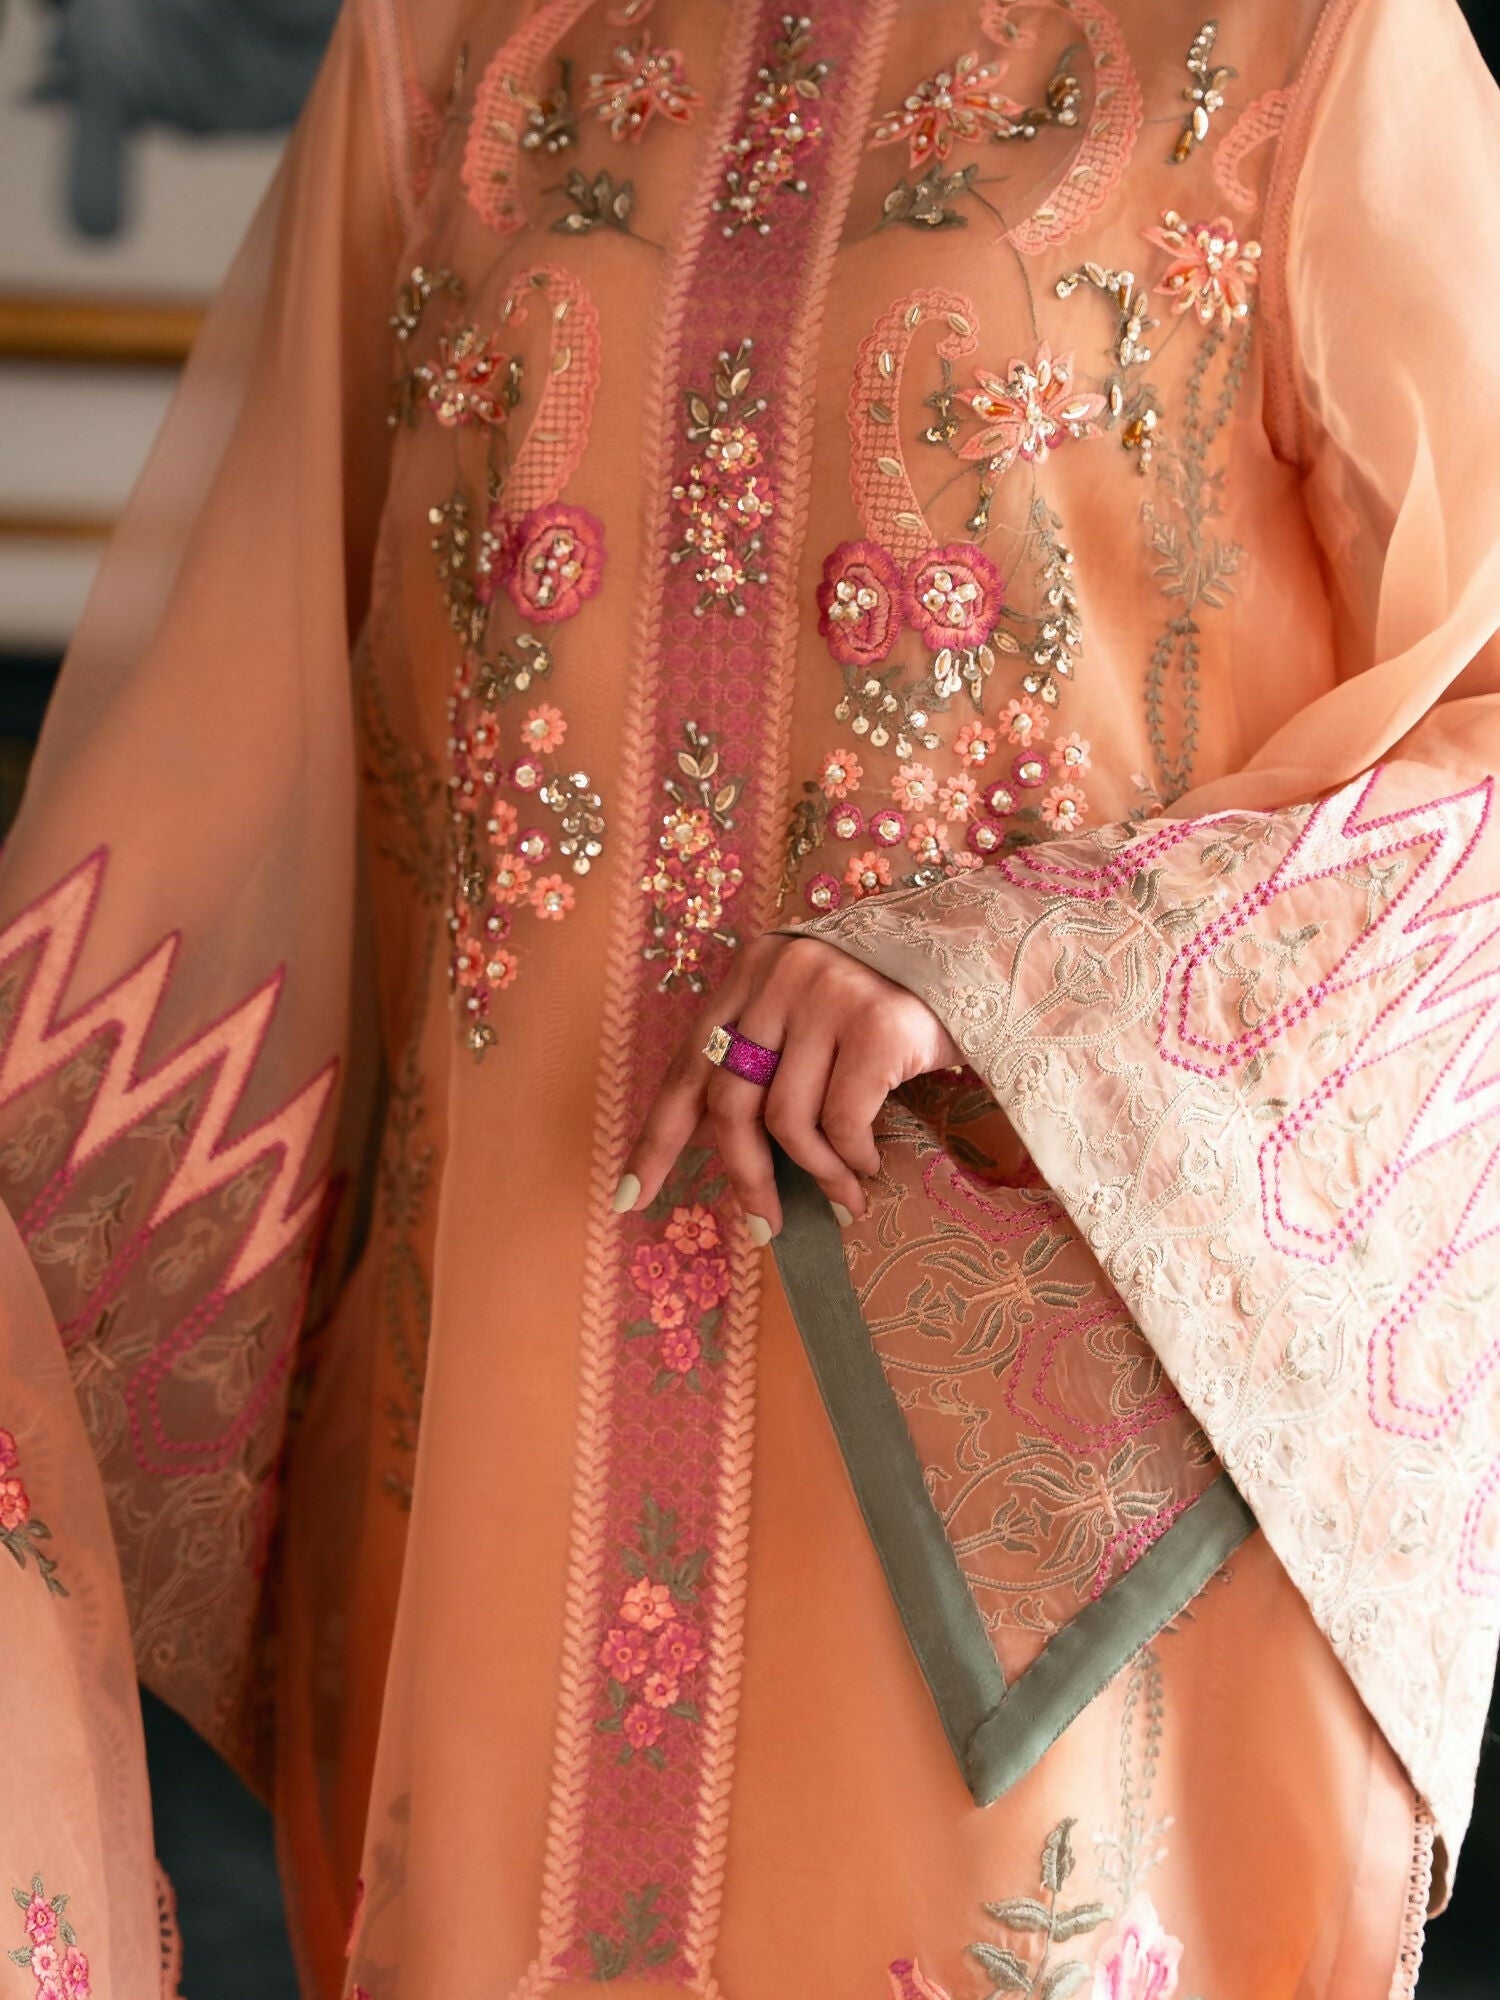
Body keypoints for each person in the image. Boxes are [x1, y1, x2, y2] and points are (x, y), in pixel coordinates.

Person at [1, 1, 1497, 1993]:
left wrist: (1016, 961)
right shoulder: (449, 49)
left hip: (1014, 1483)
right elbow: (226, 756)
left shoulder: (1307, 43)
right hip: (511, 1421)